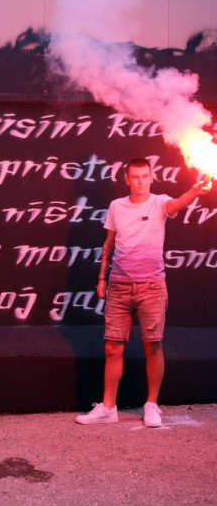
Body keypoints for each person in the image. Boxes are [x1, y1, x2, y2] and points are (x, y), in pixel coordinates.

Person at [75, 158, 211, 427]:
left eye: (145, 176)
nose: (140, 182)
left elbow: (178, 203)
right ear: (127, 179)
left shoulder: (160, 203)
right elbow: (108, 244)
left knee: (153, 346)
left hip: (151, 286)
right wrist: (102, 277)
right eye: (135, 177)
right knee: (112, 347)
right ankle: (108, 408)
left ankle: (151, 405)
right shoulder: (116, 206)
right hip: (118, 286)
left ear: (151, 178)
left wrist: (195, 190)